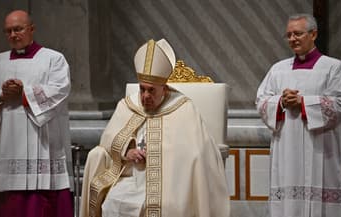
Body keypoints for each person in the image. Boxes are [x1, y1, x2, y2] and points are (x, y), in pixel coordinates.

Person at [80, 38, 230, 217]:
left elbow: (197, 152)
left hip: (171, 184)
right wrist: (127, 150)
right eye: (142, 89)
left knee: (168, 207)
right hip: (131, 178)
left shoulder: (184, 108)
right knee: (112, 203)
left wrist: (164, 155)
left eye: (151, 90)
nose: (145, 96)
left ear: (164, 89)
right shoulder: (128, 105)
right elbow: (108, 140)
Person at [256, 13, 341, 217]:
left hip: (321, 151)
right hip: (286, 150)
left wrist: (303, 102)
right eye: (288, 35)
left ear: (313, 34)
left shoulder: (333, 67)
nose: (292, 39)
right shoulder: (277, 70)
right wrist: (281, 101)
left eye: (297, 33)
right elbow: (261, 101)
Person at [0, 10, 74, 217]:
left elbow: (60, 90)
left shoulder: (54, 59)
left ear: (31, 29)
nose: (13, 35)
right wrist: (1, 94)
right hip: (5, 143)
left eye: (18, 29)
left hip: (42, 142)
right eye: (8, 31)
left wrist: (24, 92)